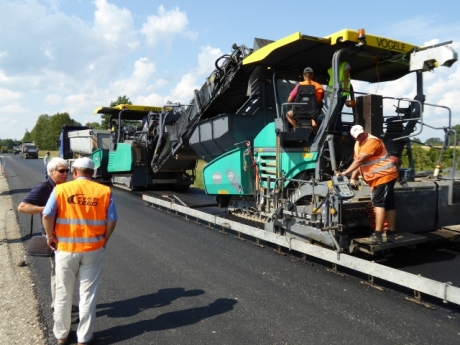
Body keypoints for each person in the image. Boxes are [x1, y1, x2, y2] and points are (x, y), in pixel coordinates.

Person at [43, 157, 118, 345]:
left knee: (63, 292)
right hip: (93, 249)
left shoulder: (60, 189)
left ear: (75, 172)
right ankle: (84, 338)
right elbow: (113, 219)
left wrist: (49, 236)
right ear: (92, 173)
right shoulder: (104, 191)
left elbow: (47, 214)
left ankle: (61, 335)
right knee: (88, 294)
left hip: (66, 249)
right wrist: (104, 240)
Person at [18, 158, 79, 317]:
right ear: (51, 172)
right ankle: (58, 308)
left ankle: (63, 304)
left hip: (69, 237)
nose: (65, 173)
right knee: (59, 274)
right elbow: (22, 207)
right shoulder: (44, 188)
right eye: (61, 171)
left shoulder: (65, 187)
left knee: (67, 274)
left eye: (67, 170)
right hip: (54, 238)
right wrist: (47, 208)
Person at [338, 125, 399, 244]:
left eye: (361, 134)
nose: (360, 137)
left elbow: (360, 159)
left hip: (384, 176)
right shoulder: (358, 144)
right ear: (353, 137)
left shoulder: (372, 141)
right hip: (378, 178)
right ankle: (390, 234)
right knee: (389, 205)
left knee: (379, 205)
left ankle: (378, 235)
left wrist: (345, 172)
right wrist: (353, 177)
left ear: (364, 132)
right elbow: (358, 163)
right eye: (357, 136)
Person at [286, 67, 324, 132]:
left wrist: (296, 102)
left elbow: (289, 100)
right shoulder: (318, 86)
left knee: (288, 115)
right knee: (314, 118)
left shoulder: (299, 85)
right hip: (313, 112)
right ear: (312, 75)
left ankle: (298, 128)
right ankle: (316, 135)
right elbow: (319, 101)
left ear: (304, 75)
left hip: (299, 111)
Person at [327, 60, 351, 132]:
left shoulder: (345, 64)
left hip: (341, 93)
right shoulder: (330, 70)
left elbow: (346, 75)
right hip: (332, 95)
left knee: (337, 113)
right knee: (335, 113)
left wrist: (345, 88)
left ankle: (341, 132)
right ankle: (338, 131)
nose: (332, 63)